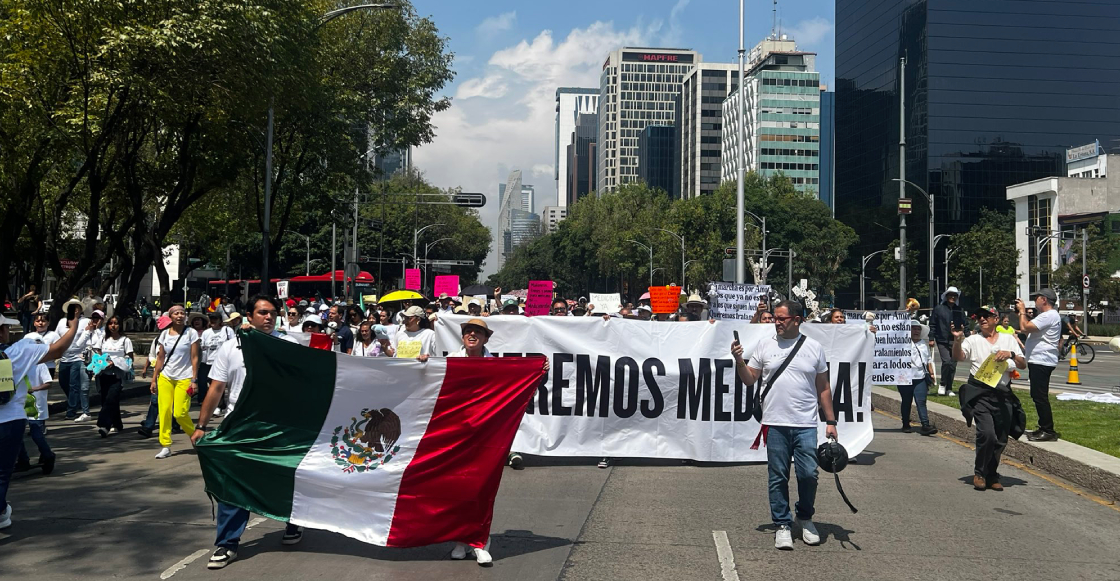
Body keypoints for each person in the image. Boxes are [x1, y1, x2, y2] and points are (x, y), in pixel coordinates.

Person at [192, 295, 304, 569]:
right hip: (239, 425)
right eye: (262, 312)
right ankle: (227, 543)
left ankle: (293, 522)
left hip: (278, 426)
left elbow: (304, 382)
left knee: (284, 478)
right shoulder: (231, 347)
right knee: (233, 484)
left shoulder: (288, 344)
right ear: (249, 316)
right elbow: (217, 388)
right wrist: (201, 426)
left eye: (272, 313)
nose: (268, 317)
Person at [730, 300, 838, 550]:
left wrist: (830, 421)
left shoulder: (814, 348)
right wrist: (738, 361)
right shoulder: (765, 345)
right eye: (775, 318)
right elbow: (749, 380)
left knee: (808, 474)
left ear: (797, 320)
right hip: (775, 423)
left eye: (782, 318)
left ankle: (805, 517)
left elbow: (823, 388)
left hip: (806, 423)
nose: (776, 322)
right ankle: (782, 524)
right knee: (777, 476)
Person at [1, 308, 79, 530]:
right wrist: (73, 325)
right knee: (2, 473)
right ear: (2, 332)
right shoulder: (20, 351)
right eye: (5, 327)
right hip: (10, 420)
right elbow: (59, 349)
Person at [952, 305, 1027, 490]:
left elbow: (1023, 364)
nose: (982, 319)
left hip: (1002, 394)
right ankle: (979, 473)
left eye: (986, 316)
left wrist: (1010, 354)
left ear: (996, 319)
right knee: (987, 434)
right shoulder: (973, 340)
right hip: (980, 393)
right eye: (979, 317)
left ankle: (992, 474)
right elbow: (959, 357)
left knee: (1001, 438)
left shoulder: (1008, 339)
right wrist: (957, 340)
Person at [149, 305, 201, 459]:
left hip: (184, 377)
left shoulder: (191, 333)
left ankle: (195, 436)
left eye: (182, 313)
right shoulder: (164, 334)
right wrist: (154, 379)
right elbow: (160, 358)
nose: (179, 316)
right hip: (166, 376)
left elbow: (195, 358)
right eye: (176, 313)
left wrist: (194, 379)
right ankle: (165, 445)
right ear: (170, 316)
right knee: (164, 410)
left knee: (180, 412)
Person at [1015, 289, 1061, 442]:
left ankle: (1048, 430)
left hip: (1042, 360)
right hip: (1039, 360)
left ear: (1044, 300)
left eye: (1036, 298)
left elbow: (1024, 328)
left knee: (1040, 396)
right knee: (1037, 395)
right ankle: (1044, 427)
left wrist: (1022, 311)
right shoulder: (1047, 316)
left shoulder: (1049, 315)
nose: (1034, 302)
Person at [13, 341, 55, 475]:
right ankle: (23, 459)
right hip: (19, 404)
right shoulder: (18, 363)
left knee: (36, 434)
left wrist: (33, 389)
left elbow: (48, 383)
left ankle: (48, 455)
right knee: (16, 435)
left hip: (36, 405)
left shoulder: (40, 365)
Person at [55, 300, 97, 420]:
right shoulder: (62, 322)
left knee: (74, 384)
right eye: (72, 308)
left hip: (78, 358)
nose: (75, 310)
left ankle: (71, 410)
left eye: (76, 308)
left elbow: (88, 337)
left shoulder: (85, 321)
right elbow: (57, 336)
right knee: (63, 382)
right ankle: (75, 400)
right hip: (64, 357)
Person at [94, 315, 134, 437]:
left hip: (117, 375)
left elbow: (129, 359)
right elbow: (97, 354)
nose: (113, 326)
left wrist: (115, 362)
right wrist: (102, 363)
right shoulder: (102, 339)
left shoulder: (125, 340)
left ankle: (104, 425)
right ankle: (117, 424)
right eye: (110, 323)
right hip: (103, 374)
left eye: (116, 323)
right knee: (107, 399)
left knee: (111, 398)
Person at [899, 320, 937, 436]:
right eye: (913, 329)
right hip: (905, 377)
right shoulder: (902, 343)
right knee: (906, 401)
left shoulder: (922, 344)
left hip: (920, 377)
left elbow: (928, 360)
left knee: (921, 401)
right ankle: (906, 423)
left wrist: (931, 374)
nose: (916, 331)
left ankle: (925, 425)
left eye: (918, 329)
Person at [137, 315, 172, 438]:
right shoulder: (157, 340)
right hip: (159, 374)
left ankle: (175, 421)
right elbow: (151, 355)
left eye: (168, 327)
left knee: (172, 403)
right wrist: (148, 366)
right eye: (163, 328)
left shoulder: (181, 339)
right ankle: (149, 426)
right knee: (155, 400)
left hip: (175, 375)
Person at [929, 286, 965, 397]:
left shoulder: (959, 310)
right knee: (947, 362)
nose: (953, 297)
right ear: (946, 296)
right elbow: (933, 324)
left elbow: (965, 324)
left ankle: (949, 388)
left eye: (955, 296)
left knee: (953, 365)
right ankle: (943, 384)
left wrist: (968, 336)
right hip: (942, 339)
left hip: (955, 340)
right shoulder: (939, 309)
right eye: (950, 295)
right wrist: (931, 338)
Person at [199, 313, 234, 410]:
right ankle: (210, 402)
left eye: (215, 319)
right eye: (211, 319)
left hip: (222, 362)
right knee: (206, 383)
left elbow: (233, 344)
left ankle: (218, 405)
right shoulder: (206, 333)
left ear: (220, 320)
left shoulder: (227, 330)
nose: (213, 321)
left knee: (218, 383)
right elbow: (202, 346)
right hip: (208, 361)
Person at [26, 312, 60, 379]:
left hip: (48, 366)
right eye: (38, 321)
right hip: (32, 367)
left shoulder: (54, 335)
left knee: (45, 387)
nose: (40, 323)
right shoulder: (28, 336)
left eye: (43, 321)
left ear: (48, 323)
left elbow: (58, 351)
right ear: (34, 323)